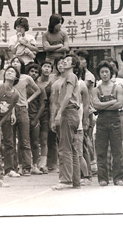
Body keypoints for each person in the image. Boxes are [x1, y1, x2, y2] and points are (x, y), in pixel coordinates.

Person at [91, 60, 123, 185]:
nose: (104, 74)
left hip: (115, 120)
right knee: (101, 151)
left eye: (106, 71)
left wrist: (103, 105)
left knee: (117, 150)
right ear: (99, 74)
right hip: (101, 121)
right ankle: (103, 179)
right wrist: (111, 102)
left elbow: (120, 104)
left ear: (111, 73)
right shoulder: (96, 89)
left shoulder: (117, 87)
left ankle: (118, 178)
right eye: (102, 72)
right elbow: (95, 105)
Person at [51, 54, 83, 190]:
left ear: (74, 65)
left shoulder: (70, 76)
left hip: (68, 112)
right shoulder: (66, 78)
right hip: (72, 113)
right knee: (73, 148)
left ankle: (65, 180)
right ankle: (75, 180)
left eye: (68, 60)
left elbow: (68, 95)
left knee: (65, 148)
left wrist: (58, 114)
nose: (64, 62)